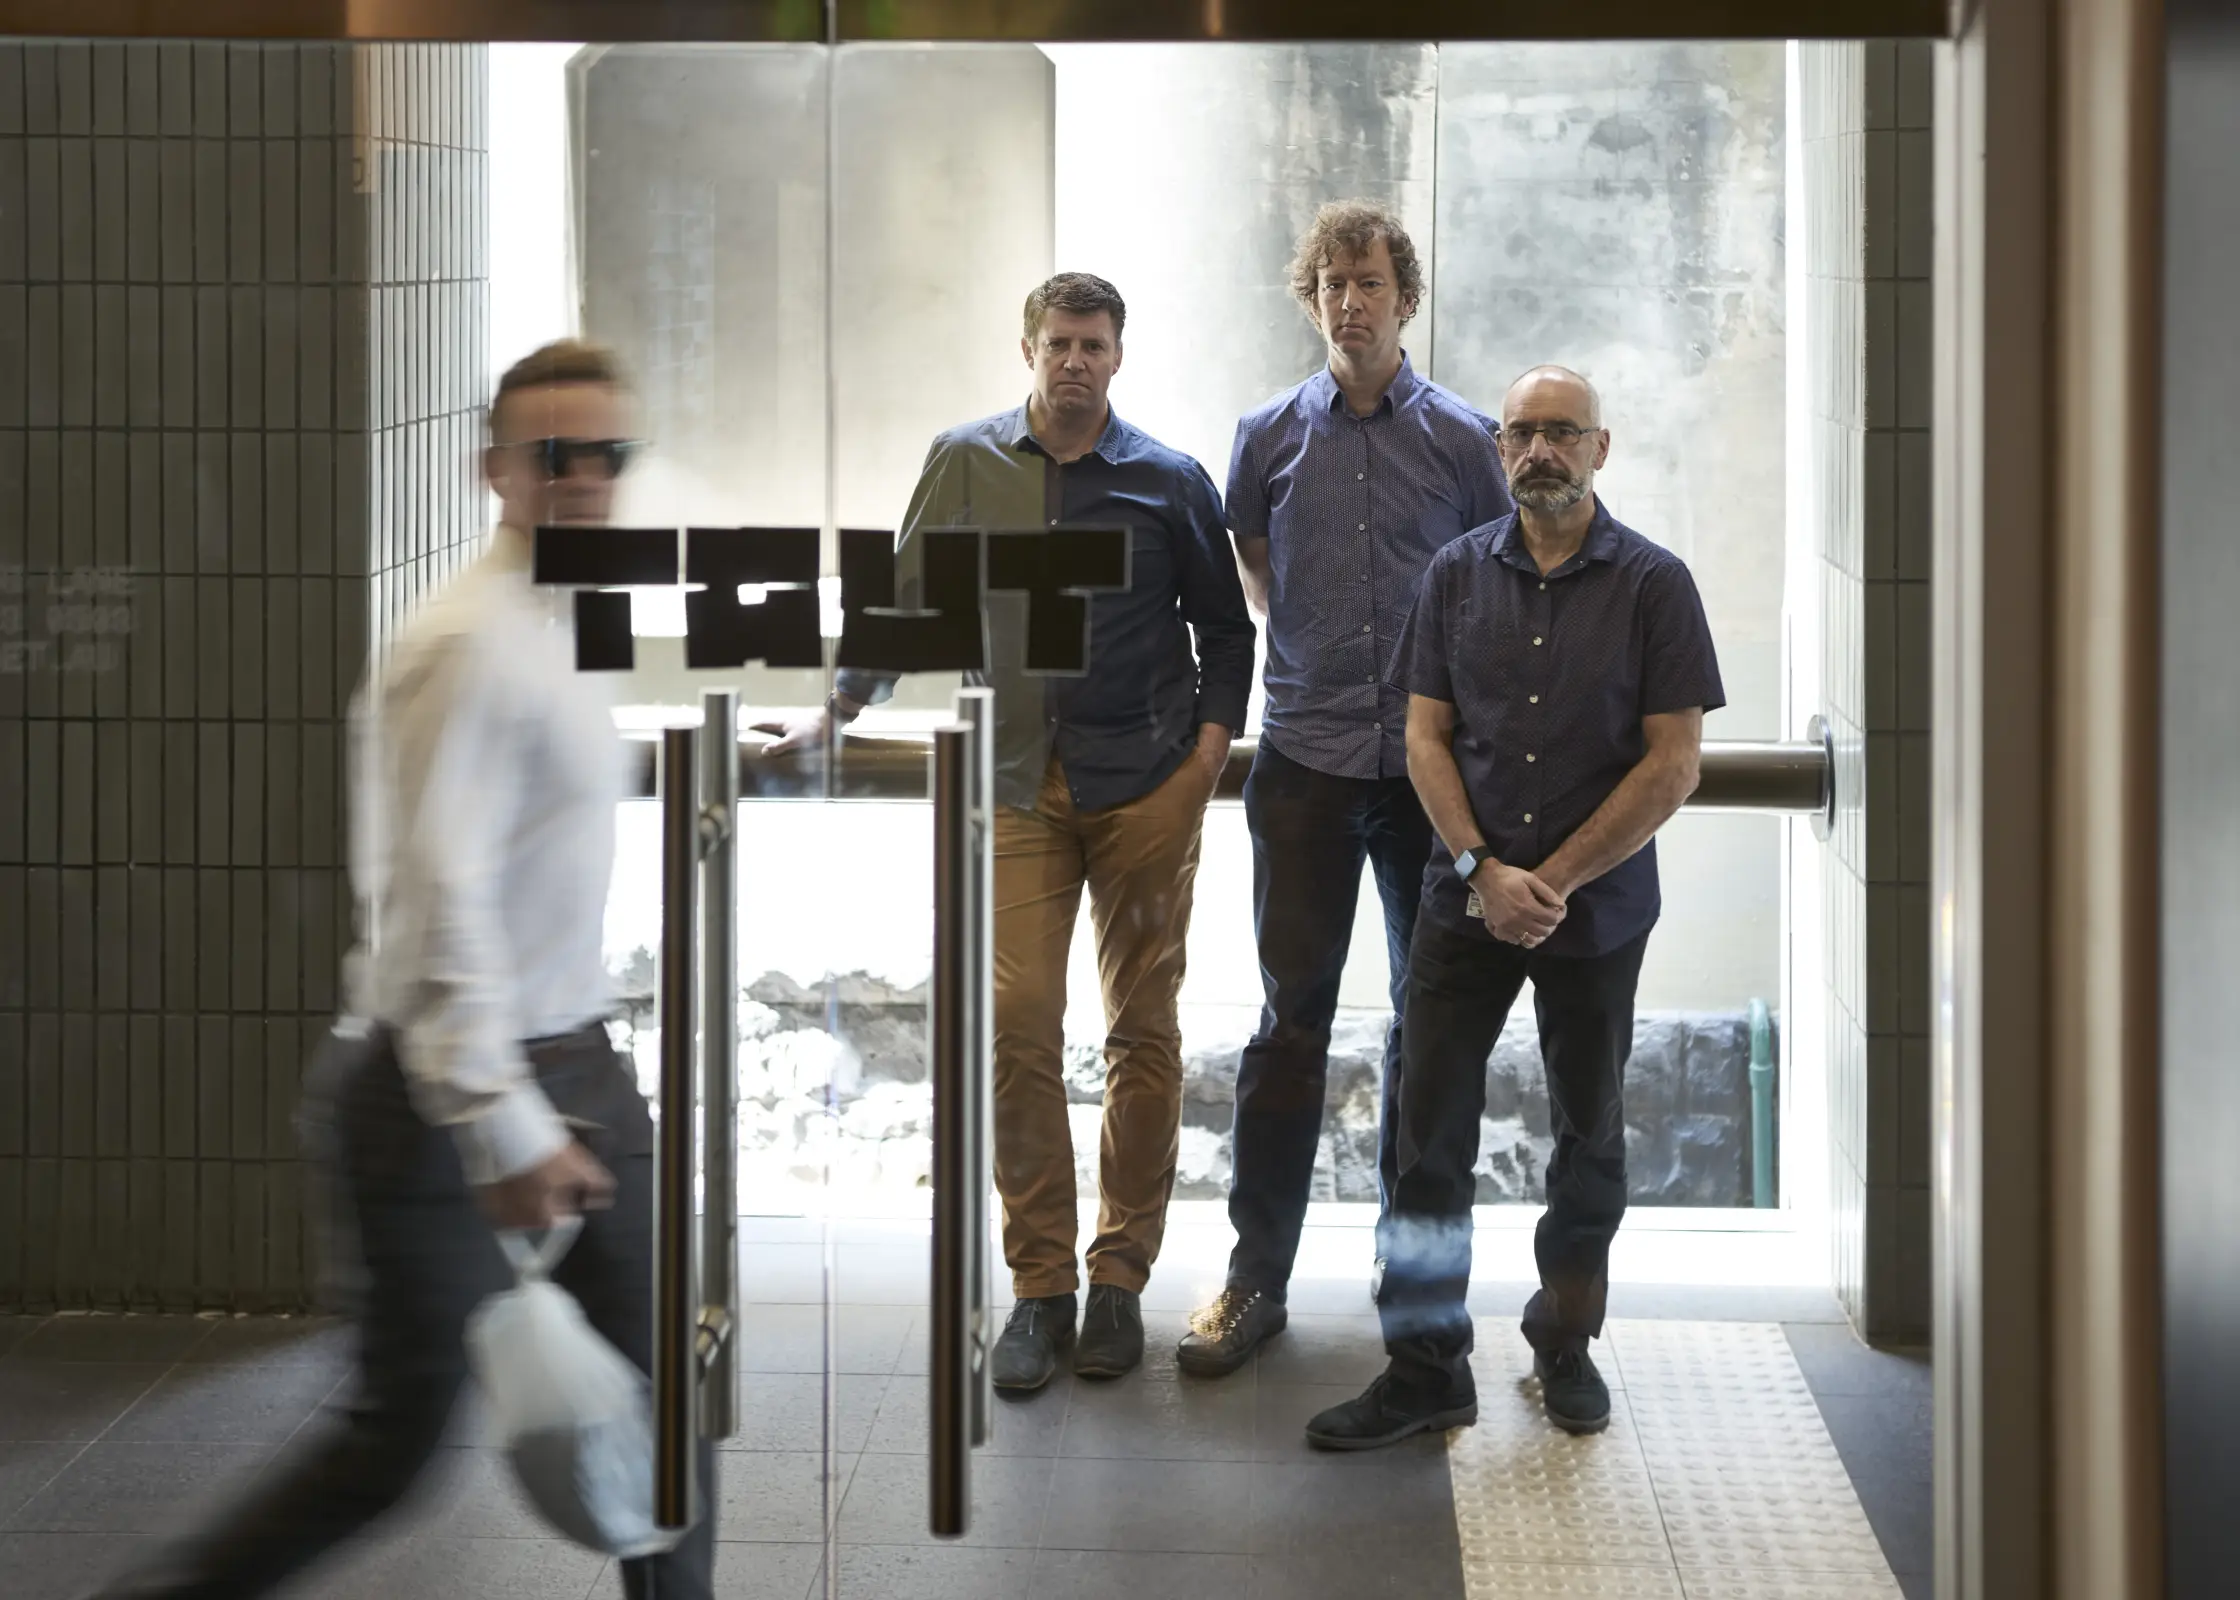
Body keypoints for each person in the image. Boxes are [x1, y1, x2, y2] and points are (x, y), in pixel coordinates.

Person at [92, 340, 717, 1598]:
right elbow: (438, 905)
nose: (585, 477)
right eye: (555, 455)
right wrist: (504, 1122)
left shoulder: (568, 614)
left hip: (575, 1055)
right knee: (395, 1445)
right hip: (433, 1092)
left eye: (607, 454)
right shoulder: (462, 644)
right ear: (496, 469)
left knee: (666, 1399)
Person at [762, 273, 1255, 1389]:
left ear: (1118, 357)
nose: (1075, 360)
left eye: (1094, 344)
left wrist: (1203, 762)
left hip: (1145, 789)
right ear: (1027, 349)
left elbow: (1225, 633)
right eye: (1058, 343)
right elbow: (904, 602)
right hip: (1019, 786)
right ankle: (1040, 1288)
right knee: (1018, 1025)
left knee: (1143, 1033)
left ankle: (1118, 1279)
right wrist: (838, 708)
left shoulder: (1168, 480)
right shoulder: (964, 463)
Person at [1304, 364, 1724, 1450]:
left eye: (1562, 432)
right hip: (1465, 906)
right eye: (1521, 433)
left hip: (1597, 913)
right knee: (1425, 1143)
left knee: (1589, 1138)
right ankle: (1424, 1368)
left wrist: (1558, 881)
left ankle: (1564, 1338)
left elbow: (1673, 763)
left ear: (1599, 448)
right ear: (1498, 450)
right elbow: (1424, 737)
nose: (1540, 450)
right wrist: (1483, 868)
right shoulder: (1452, 574)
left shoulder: (1656, 584)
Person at [1178, 200, 1512, 1377]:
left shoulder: (1466, 441)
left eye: (1369, 282)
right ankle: (1252, 1281)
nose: (1350, 302)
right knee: (1288, 1027)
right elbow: (1256, 575)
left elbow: (1491, 586)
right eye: (1331, 283)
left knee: (1432, 1034)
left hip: (1431, 779)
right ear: (1310, 299)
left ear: (1403, 299)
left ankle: (1414, 1306)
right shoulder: (1264, 436)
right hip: (1305, 767)